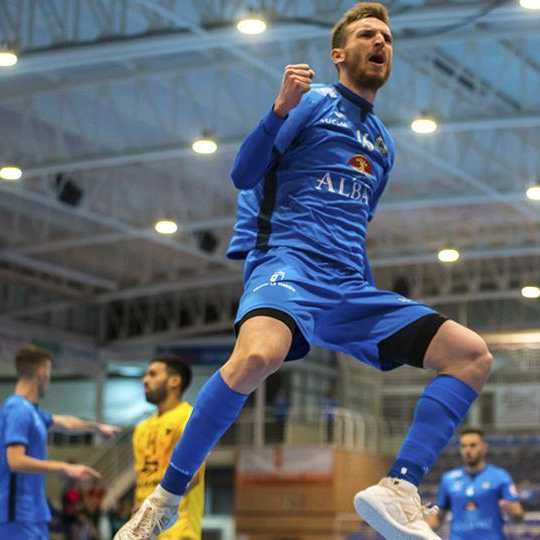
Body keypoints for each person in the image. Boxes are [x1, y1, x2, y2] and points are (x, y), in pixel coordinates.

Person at [116, 4, 494, 539]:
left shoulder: (383, 145)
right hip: (288, 265)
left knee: (471, 355)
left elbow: (356, 226)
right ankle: (165, 499)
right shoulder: (311, 104)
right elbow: (244, 174)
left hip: (349, 287)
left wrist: (365, 289)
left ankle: (400, 487)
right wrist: (276, 109)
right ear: (340, 54)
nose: (380, 42)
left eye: (387, 37)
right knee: (255, 358)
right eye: (368, 34)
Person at [0, 346, 119, 540]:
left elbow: (65, 423)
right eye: (49, 374)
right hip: (16, 512)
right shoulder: (17, 409)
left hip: (33, 513)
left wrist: (96, 427)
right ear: (43, 372)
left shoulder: (33, 412)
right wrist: (65, 468)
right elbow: (15, 461)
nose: (49, 380)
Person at [131, 357, 205, 539]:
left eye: (153, 374)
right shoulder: (141, 428)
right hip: (144, 530)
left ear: (174, 381)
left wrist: (155, 506)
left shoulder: (190, 418)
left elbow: (194, 474)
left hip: (178, 530)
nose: (145, 380)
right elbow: (141, 477)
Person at [427, 429, 523, 539]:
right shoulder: (448, 479)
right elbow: (438, 518)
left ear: (484, 448)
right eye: (464, 446)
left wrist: (514, 511)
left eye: (473, 445)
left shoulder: (500, 476)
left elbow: (518, 514)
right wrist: (419, 527)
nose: (468, 450)